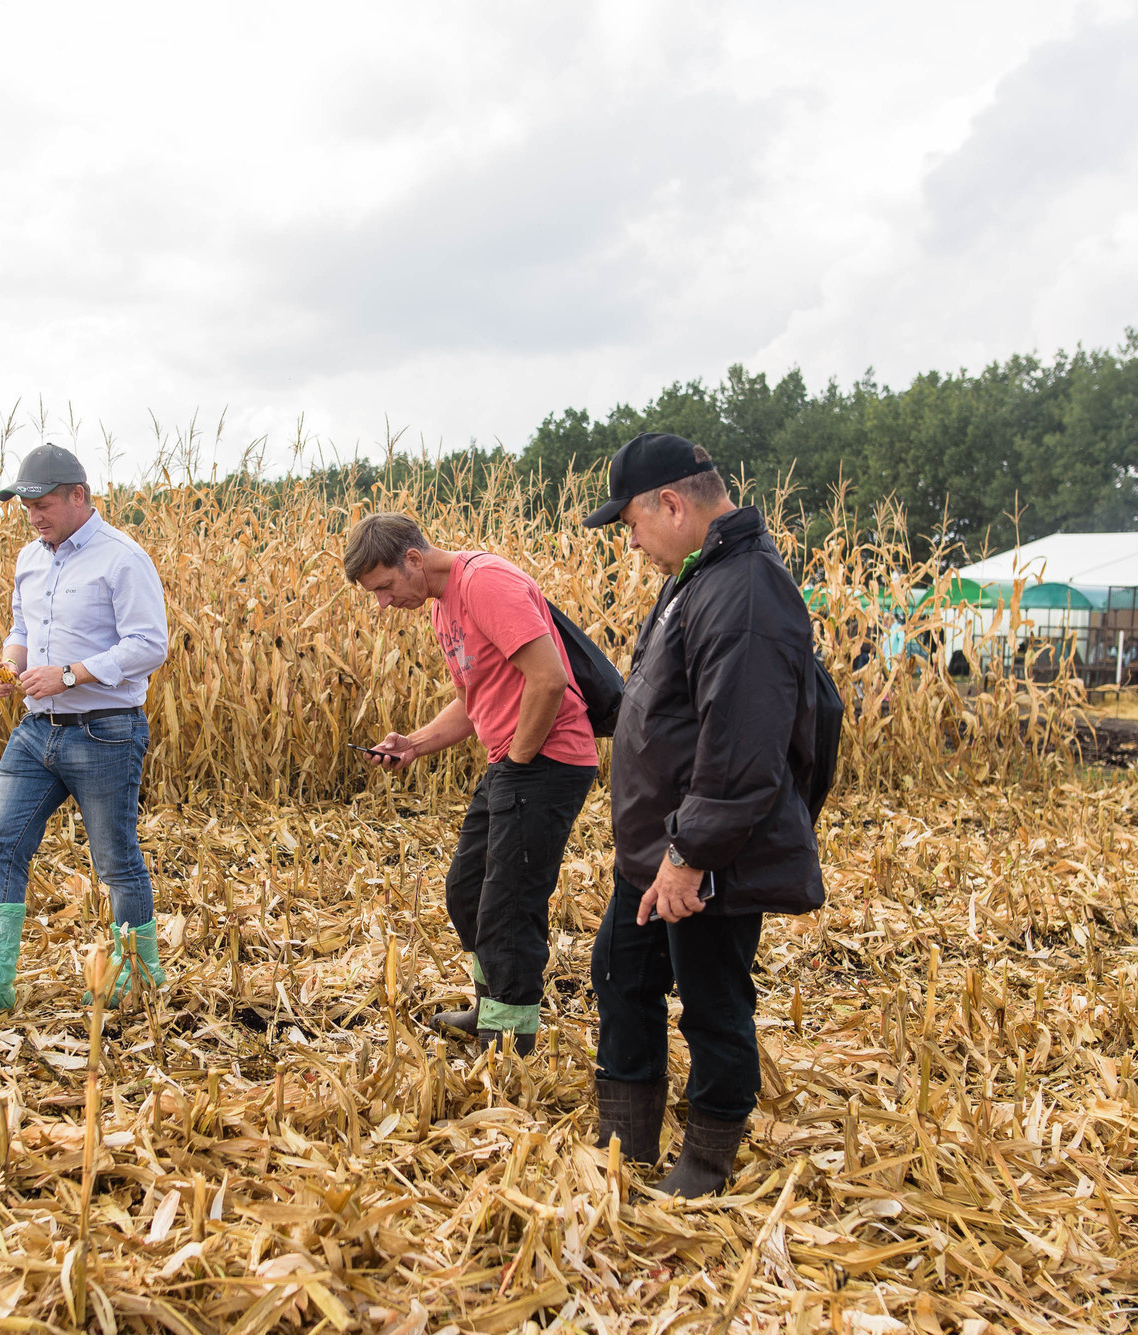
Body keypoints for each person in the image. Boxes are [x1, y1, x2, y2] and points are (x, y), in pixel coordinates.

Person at [582, 433, 825, 1197]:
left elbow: (743, 744)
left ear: (673, 503)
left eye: (630, 523)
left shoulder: (747, 588)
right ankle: (627, 1140)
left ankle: (709, 1158)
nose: (631, 539)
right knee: (621, 975)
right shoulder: (703, 573)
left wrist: (692, 855)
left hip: (703, 854)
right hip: (657, 848)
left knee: (713, 1000)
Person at [0, 443, 170, 1017]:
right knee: (2, 843)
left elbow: (150, 645)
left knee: (115, 859)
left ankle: (135, 977)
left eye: (42, 502)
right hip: (37, 732)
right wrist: (9, 665)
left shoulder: (121, 558)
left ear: (78, 496)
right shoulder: (32, 559)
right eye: (25, 504)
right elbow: (22, 625)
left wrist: (70, 674)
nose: (33, 515)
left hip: (106, 730)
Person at [343, 514, 599, 1054]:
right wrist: (413, 744)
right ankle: (490, 1005)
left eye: (385, 587)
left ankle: (507, 1041)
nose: (384, 604)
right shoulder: (443, 607)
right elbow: (472, 700)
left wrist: (520, 762)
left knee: (509, 903)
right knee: (467, 891)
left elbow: (549, 678)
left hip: (546, 761)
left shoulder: (484, 583)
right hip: (513, 763)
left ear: (414, 559)